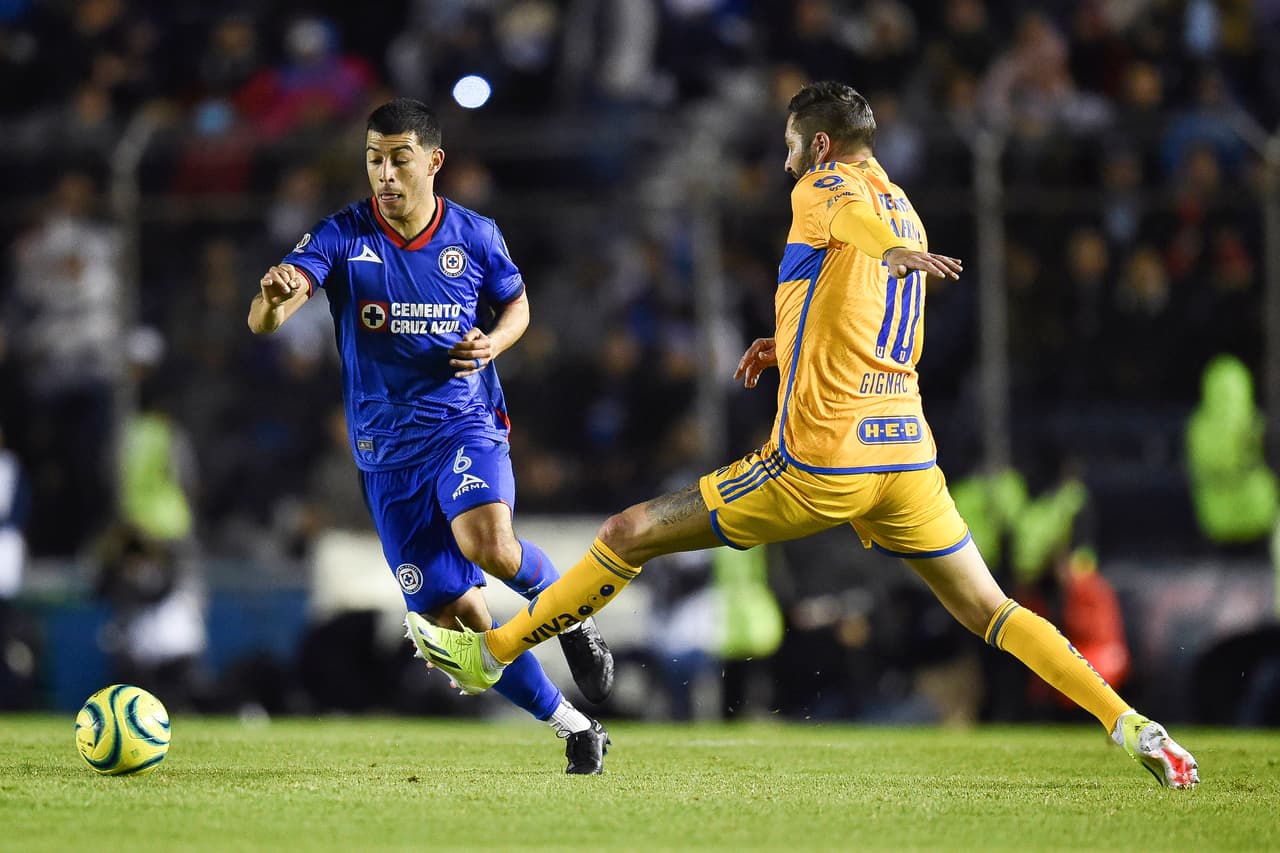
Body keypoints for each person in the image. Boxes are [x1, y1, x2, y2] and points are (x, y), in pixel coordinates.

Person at [409, 81, 1200, 789]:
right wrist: (789, 342)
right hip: (905, 456)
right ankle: (1132, 723)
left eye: (791, 145)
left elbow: (850, 222)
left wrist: (891, 251)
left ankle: (492, 653)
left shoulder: (829, 186)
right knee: (992, 609)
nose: (787, 163)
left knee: (629, 532)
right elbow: (859, 310)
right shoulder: (905, 203)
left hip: (823, 456)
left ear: (820, 143)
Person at [248, 97, 614, 774]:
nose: (384, 174)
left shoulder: (473, 234)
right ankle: (576, 727)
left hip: (460, 425)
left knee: (489, 544)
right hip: (385, 457)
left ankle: (574, 616)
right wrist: (274, 300)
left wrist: (493, 343)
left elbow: (517, 305)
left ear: (433, 161)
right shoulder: (343, 234)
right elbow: (267, 315)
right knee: (460, 632)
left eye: (398, 159)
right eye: (373, 159)